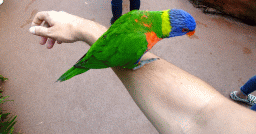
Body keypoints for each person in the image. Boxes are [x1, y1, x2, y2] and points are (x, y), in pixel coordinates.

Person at [29, 11, 256, 134]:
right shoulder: (142, 40)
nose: (187, 34)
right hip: (106, 54)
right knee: (130, 59)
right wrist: (134, 63)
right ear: (173, 28)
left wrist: (81, 26)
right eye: (185, 31)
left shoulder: (141, 16)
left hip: (115, 41)